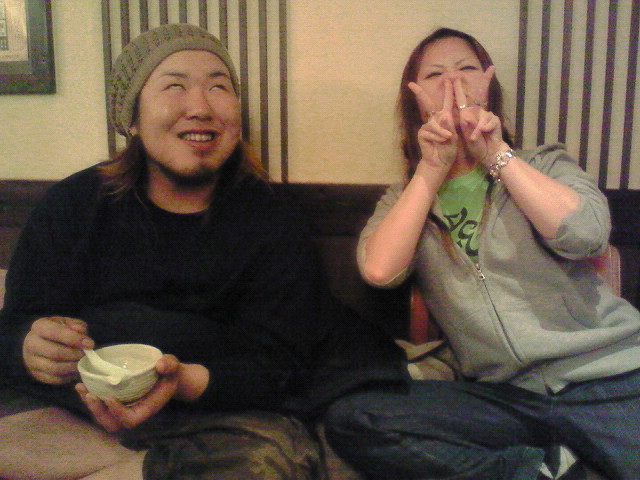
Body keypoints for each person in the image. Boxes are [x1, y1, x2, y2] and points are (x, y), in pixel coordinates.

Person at [0, 23, 406, 480]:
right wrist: (28, 347)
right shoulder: (74, 206)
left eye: (218, 87)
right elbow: (16, 324)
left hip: (221, 409)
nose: (200, 107)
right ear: (132, 118)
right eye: (174, 86)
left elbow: (282, 364)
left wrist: (180, 381)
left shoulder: (271, 218)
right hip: (77, 408)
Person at [324, 27, 640, 480]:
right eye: (435, 74)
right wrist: (431, 170)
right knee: (357, 419)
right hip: (505, 397)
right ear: (416, 101)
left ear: (488, 87)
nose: (452, 82)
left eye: (466, 69)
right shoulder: (406, 198)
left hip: (610, 378)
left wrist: (496, 154)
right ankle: (542, 472)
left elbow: (586, 233)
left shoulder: (544, 163)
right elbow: (379, 270)